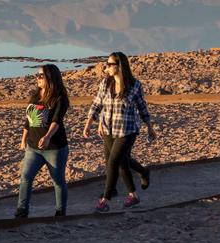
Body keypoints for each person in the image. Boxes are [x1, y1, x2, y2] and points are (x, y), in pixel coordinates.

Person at [83, 52, 156, 212]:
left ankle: (105, 200)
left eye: (110, 65)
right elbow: (97, 103)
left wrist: (149, 126)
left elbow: (142, 106)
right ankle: (137, 187)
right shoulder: (105, 82)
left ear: (119, 66)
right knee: (122, 162)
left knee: (113, 162)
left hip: (127, 130)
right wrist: (89, 122)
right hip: (108, 128)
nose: (106, 67)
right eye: (106, 64)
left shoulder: (134, 85)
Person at [15, 64, 70, 218]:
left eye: (41, 76)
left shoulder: (60, 98)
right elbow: (29, 120)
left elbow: (56, 120)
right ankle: (21, 210)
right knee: (26, 177)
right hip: (33, 147)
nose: (37, 78)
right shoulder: (35, 96)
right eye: (37, 75)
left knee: (58, 181)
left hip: (54, 148)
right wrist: (23, 139)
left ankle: (60, 212)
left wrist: (47, 137)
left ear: (50, 78)